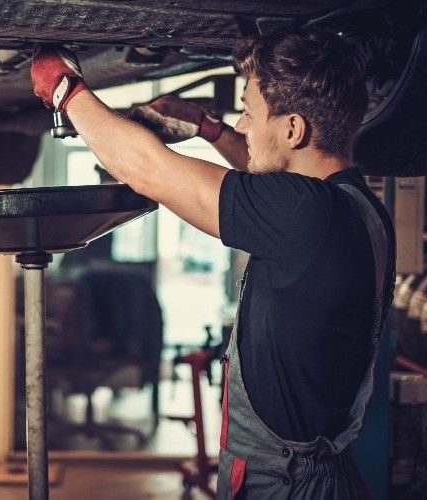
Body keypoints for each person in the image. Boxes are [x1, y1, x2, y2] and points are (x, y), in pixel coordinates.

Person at [31, 27, 395, 499]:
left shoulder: (305, 214)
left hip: (282, 484)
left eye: (248, 111)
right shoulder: (353, 205)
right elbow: (262, 175)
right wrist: (209, 129)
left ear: (293, 129)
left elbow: (146, 168)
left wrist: (66, 90)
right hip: (315, 471)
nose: (243, 125)